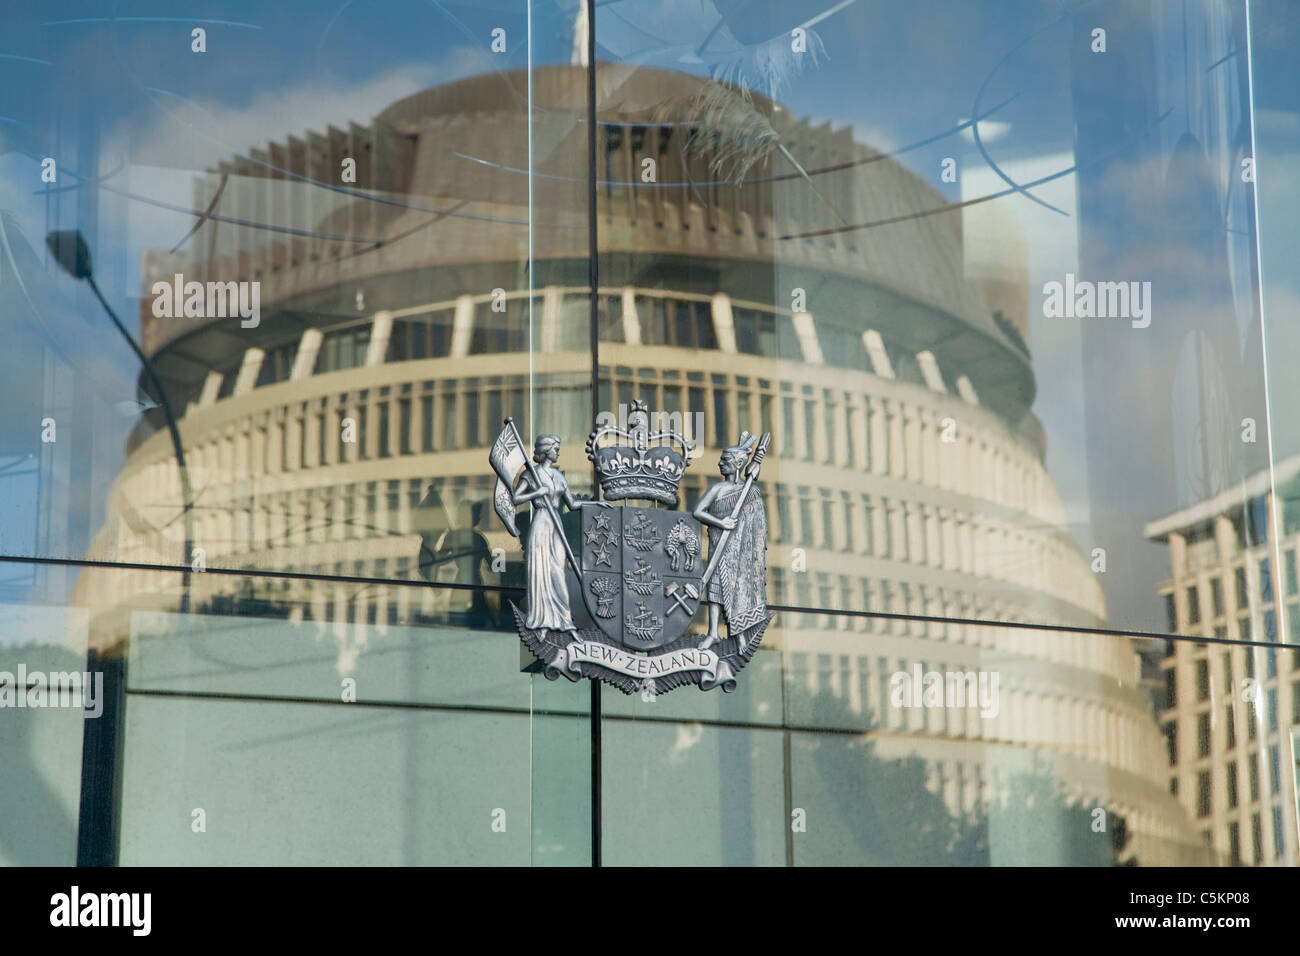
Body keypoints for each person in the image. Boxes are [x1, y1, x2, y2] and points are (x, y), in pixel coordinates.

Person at [513, 435, 609, 635]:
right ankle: (542, 619)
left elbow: (572, 504)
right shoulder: (531, 475)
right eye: (555, 448)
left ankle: (564, 618)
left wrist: (595, 504)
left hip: (556, 522)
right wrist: (537, 493)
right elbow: (516, 497)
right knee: (542, 570)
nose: (558, 452)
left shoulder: (559, 477)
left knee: (557, 569)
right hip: (541, 523)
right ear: (546, 450)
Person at [693, 432, 767, 650]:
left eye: (725, 461)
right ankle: (714, 632)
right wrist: (721, 522)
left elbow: (756, 523)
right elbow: (697, 511)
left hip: (738, 551)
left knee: (737, 589)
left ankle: (738, 633)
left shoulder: (750, 492)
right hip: (719, 547)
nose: (720, 463)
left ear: (736, 465)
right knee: (715, 588)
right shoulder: (717, 489)